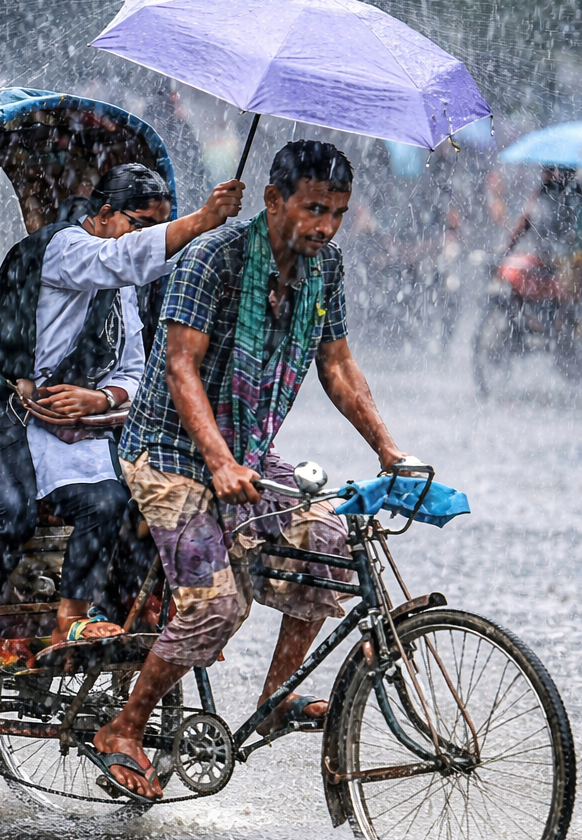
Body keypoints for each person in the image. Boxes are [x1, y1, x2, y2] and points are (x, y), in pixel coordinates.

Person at [94, 140, 408, 801]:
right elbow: (180, 365)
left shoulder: (325, 271)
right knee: (216, 605)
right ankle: (123, 728)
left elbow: (338, 366)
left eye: (338, 213)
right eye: (314, 209)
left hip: (248, 451)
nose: (325, 226)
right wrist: (217, 461)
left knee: (330, 546)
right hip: (170, 453)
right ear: (274, 200)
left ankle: (278, 694)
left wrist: (388, 447)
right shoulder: (215, 258)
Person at [0, 164, 245, 645]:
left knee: (110, 500)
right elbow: (124, 257)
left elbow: (136, 371)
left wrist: (99, 396)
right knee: (12, 509)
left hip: (53, 425)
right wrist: (202, 220)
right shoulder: (65, 248)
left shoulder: (117, 283)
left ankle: (71, 616)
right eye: (139, 224)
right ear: (103, 215)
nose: (144, 238)